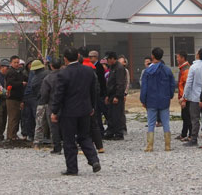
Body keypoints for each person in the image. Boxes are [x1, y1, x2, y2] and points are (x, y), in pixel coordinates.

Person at [51, 47, 101, 176]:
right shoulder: (88, 71)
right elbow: (94, 91)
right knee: (85, 137)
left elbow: (59, 94)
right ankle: (94, 160)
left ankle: (72, 168)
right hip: (85, 109)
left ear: (65, 59)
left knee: (69, 140)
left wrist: (54, 111)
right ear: (78, 56)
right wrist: (92, 107)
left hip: (68, 112)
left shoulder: (63, 73)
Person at [139, 46, 177, 152]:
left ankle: (150, 146)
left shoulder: (147, 71)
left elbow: (144, 87)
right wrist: (170, 95)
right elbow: (172, 85)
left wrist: (143, 100)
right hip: (164, 99)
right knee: (166, 122)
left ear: (152, 56)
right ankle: (167, 145)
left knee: (151, 123)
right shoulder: (167, 70)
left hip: (151, 100)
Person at [182, 48, 202, 146]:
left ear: (198, 55)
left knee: (195, 119)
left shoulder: (194, 67)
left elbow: (189, 83)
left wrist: (185, 96)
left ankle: (194, 138)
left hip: (195, 97)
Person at [104, 53, 128, 140]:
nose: (107, 61)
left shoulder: (119, 68)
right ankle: (110, 131)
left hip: (116, 95)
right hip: (110, 94)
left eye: (108, 59)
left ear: (113, 59)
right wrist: (107, 95)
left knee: (117, 115)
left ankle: (119, 133)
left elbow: (120, 83)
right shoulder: (112, 67)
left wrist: (117, 96)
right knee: (110, 114)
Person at [4, 56, 27, 141]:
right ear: (11, 63)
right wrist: (21, 83)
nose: (17, 64)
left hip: (17, 98)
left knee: (16, 117)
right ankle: (11, 136)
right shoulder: (10, 72)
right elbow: (10, 83)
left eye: (18, 62)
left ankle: (13, 134)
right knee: (13, 117)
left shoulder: (18, 72)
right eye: (15, 62)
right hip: (12, 98)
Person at [23, 58, 45, 142]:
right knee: (36, 116)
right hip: (33, 97)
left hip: (27, 96)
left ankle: (30, 134)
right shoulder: (38, 75)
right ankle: (36, 136)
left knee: (28, 117)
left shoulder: (33, 73)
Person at [175, 53, 190, 140]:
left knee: (187, 116)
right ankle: (184, 134)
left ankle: (190, 135)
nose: (177, 59)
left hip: (186, 97)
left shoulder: (186, 69)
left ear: (183, 58)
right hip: (184, 96)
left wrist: (184, 98)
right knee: (185, 115)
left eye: (178, 57)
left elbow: (186, 85)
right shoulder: (182, 69)